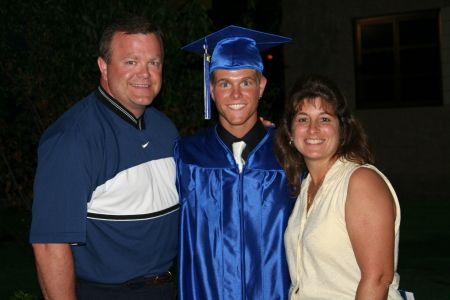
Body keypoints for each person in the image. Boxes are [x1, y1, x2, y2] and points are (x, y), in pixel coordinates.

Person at [29, 14, 179, 299]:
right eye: (131, 62)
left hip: (163, 289)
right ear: (104, 66)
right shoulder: (73, 139)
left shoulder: (164, 127)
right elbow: (50, 245)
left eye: (154, 62)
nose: (145, 74)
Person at [175, 26, 294, 299]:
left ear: (261, 86)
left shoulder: (290, 154)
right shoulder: (186, 156)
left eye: (246, 82)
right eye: (225, 83)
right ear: (211, 90)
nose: (236, 95)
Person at [274, 74, 404, 300]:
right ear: (290, 133)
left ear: (342, 131)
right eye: (303, 119)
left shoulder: (360, 181)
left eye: (324, 119)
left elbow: (378, 278)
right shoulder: (307, 187)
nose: (313, 129)